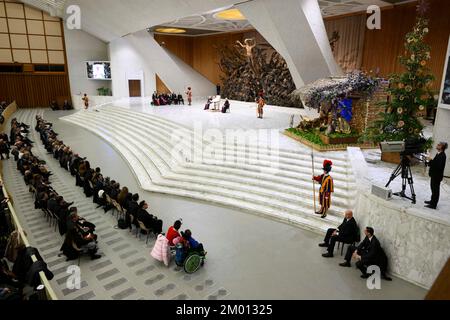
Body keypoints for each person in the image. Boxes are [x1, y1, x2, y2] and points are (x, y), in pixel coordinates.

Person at [425, 142, 448, 209]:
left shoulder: (442, 155)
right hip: (434, 175)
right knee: (433, 189)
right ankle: (432, 201)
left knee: (435, 190)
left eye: (439, 145)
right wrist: (430, 161)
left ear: (442, 147)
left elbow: (438, 166)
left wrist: (431, 160)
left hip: (437, 176)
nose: (437, 145)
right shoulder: (438, 154)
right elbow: (434, 163)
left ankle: (433, 205)